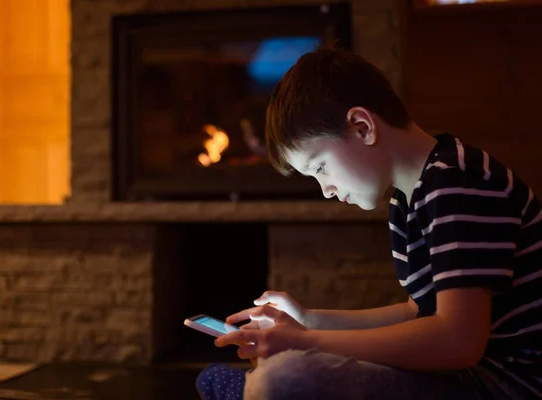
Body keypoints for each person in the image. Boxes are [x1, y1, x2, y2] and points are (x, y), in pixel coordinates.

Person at [195, 44, 542, 399]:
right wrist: (309, 320)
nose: (326, 190)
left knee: (288, 375)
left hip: (506, 388)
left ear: (362, 127)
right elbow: (419, 312)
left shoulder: (457, 183)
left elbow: (458, 341)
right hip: (470, 377)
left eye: (320, 168)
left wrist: (308, 341)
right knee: (288, 370)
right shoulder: (408, 196)